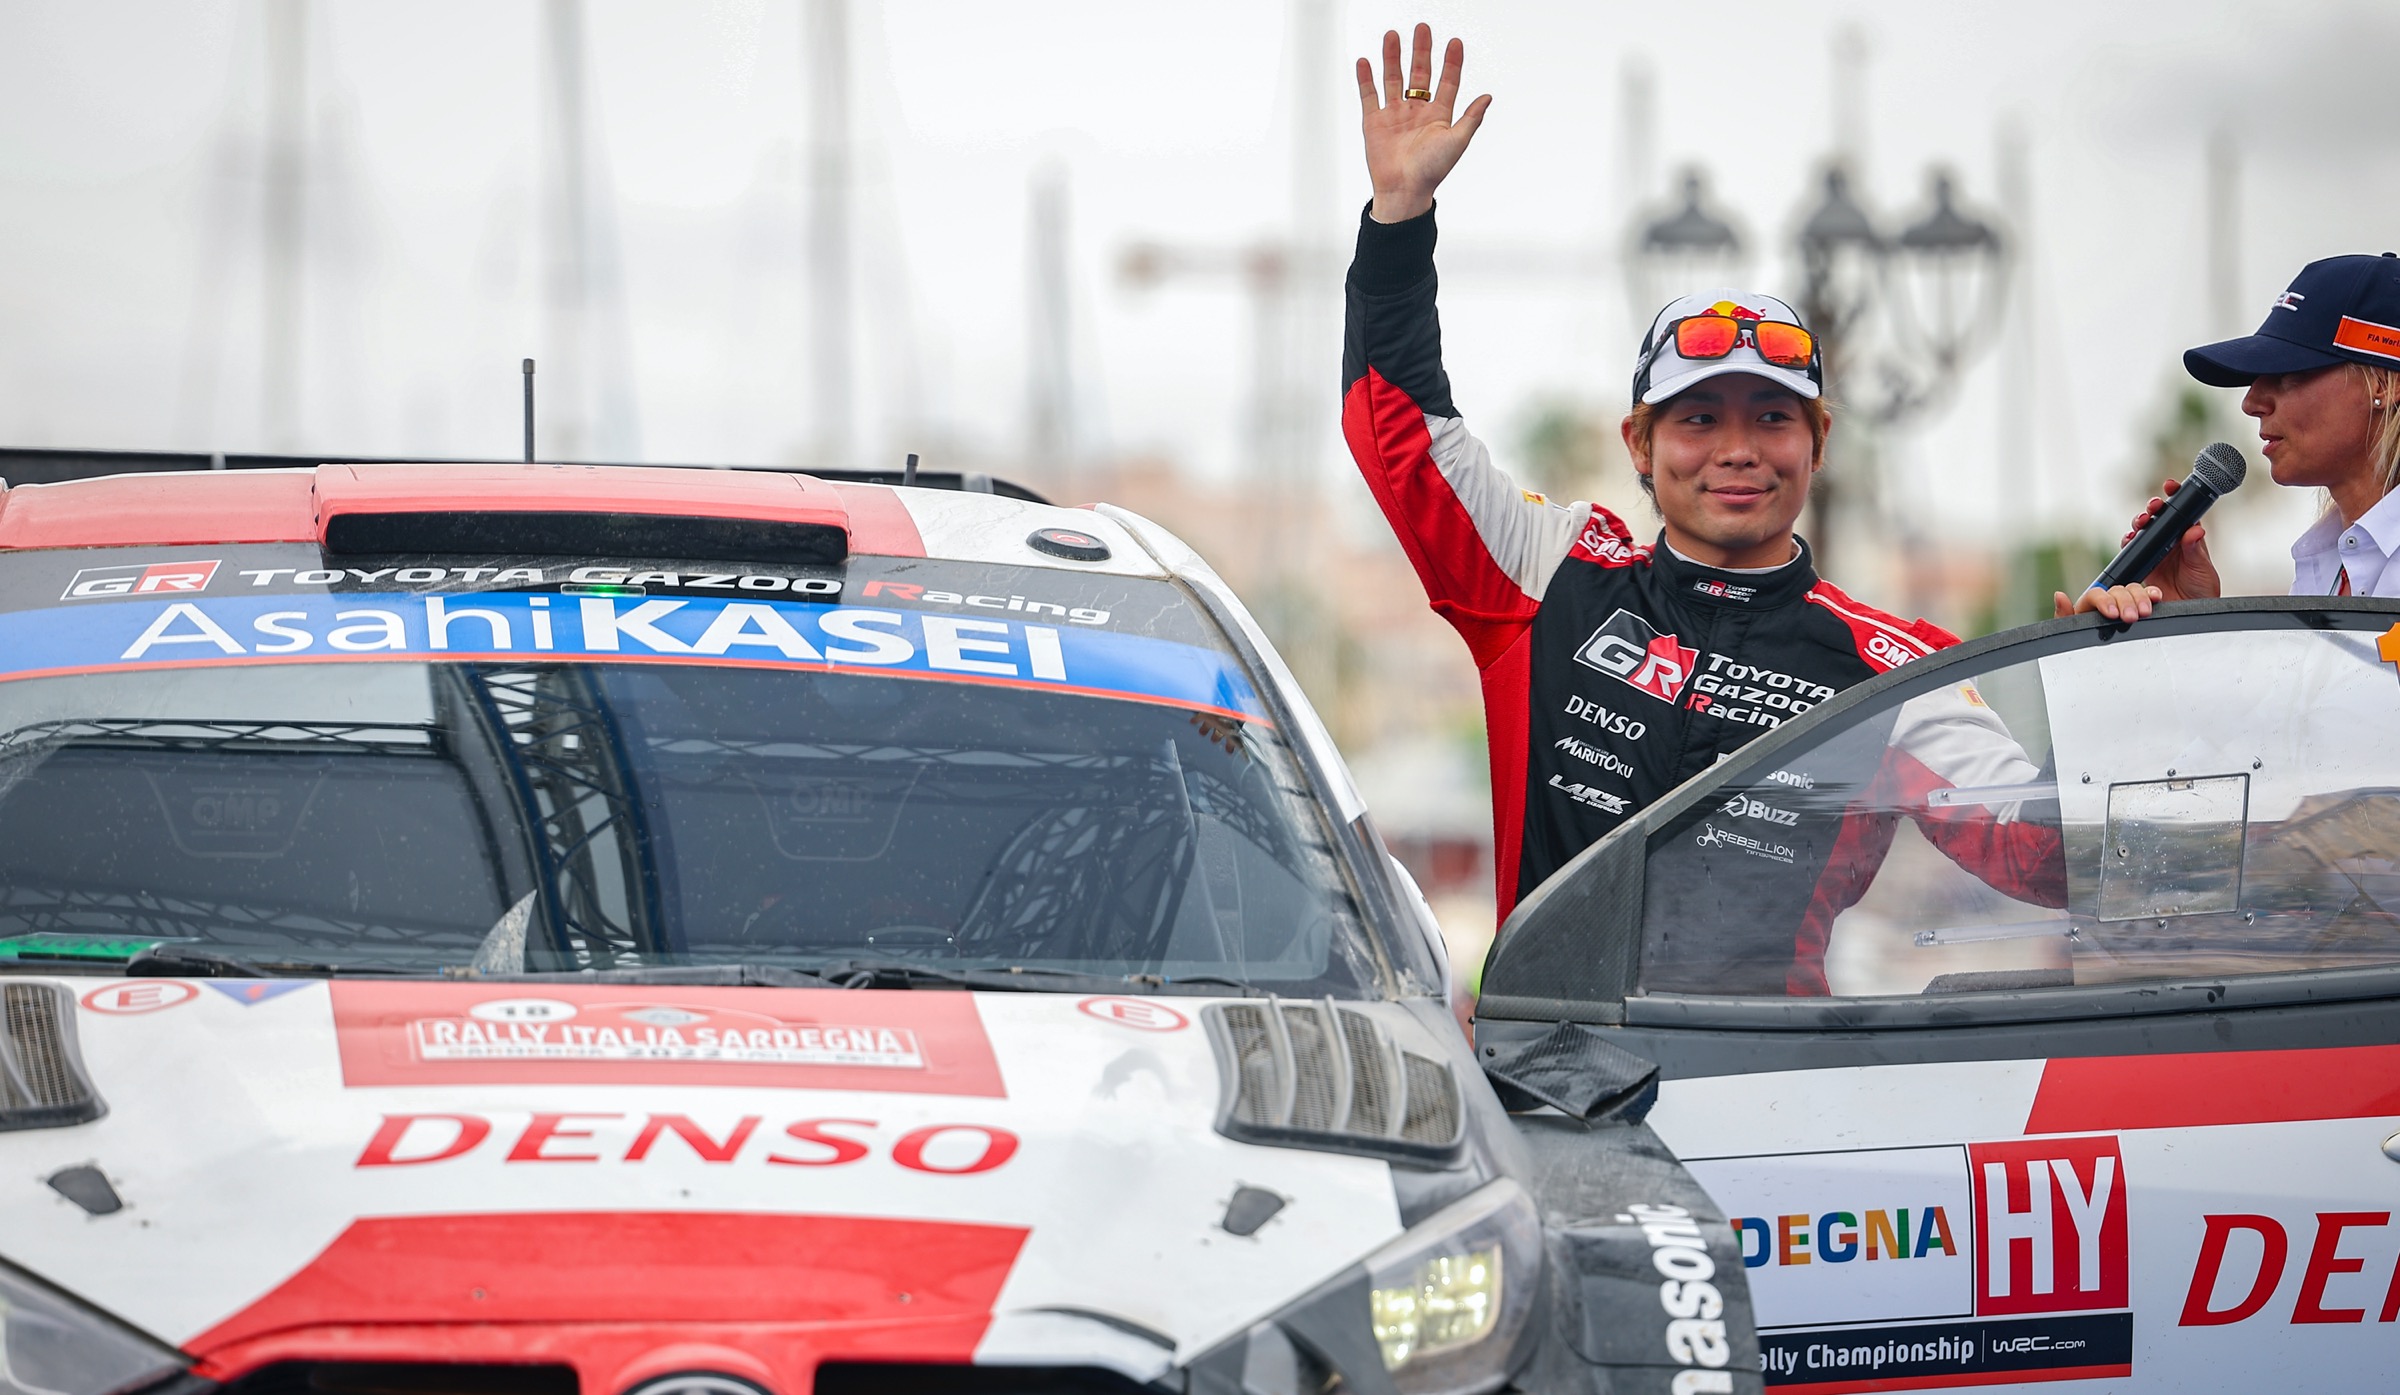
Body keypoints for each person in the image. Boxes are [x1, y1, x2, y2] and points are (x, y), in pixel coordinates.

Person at [1342, 24, 2050, 925]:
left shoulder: (1890, 669)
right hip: (1544, 1019)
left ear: (1819, 442)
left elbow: (2040, 851)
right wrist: (1399, 220)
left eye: (1773, 417)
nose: (1737, 448)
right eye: (1699, 418)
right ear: (1639, 445)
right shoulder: (1551, 574)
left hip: (1764, 1028)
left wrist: (2133, 673)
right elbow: (1398, 432)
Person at [2058, 253, 2400, 619]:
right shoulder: (2324, 562)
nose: (2251, 403)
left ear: (2384, 385)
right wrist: (2186, 624)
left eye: (2289, 373)